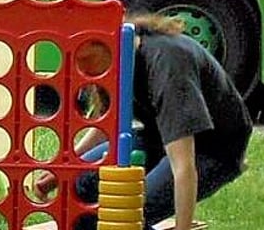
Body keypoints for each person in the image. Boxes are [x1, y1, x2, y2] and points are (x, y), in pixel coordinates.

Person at [35, 13, 252, 230]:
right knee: (76, 186)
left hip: (213, 150)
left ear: (107, 44)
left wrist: (182, 227)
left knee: (125, 211)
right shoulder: (120, 57)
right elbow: (108, 124)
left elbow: (184, 166)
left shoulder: (167, 65)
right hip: (159, 138)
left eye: (84, 60)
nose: (82, 71)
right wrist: (65, 167)